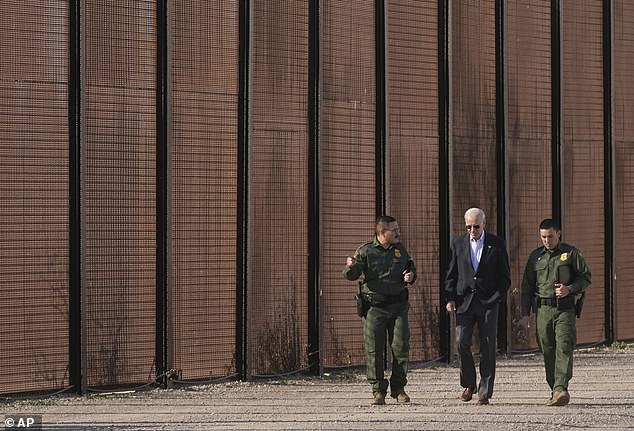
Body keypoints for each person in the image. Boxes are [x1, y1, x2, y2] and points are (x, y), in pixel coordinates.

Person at [343, 216, 417, 405]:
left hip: (398, 306)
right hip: (374, 308)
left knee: (401, 347)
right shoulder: (366, 250)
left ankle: (399, 389)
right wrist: (350, 266)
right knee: (374, 350)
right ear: (383, 233)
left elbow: (410, 268)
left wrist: (410, 276)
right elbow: (351, 275)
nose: (398, 232)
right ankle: (378, 391)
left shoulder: (400, 249)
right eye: (394, 230)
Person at [520, 218, 591, 406]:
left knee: (564, 346)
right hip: (543, 310)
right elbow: (526, 286)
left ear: (558, 233)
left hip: (564, 309)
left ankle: (561, 388)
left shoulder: (570, 253)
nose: (546, 240)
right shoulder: (536, 257)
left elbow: (585, 278)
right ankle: (554, 388)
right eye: (543, 237)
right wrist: (525, 314)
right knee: (548, 350)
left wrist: (570, 289)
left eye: (550, 236)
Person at [443, 208, 511, 405]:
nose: (472, 230)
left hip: (488, 303)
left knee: (488, 346)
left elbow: (504, 277)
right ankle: (469, 383)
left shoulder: (496, 245)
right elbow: (451, 274)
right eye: (468, 226)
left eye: (476, 226)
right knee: (461, 341)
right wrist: (449, 298)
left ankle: (485, 391)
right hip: (464, 301)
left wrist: (496, 297)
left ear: (484, 224)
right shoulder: (457, 244)